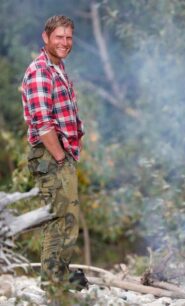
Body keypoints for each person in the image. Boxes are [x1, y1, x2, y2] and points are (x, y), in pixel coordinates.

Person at [21, 15, 87, 289]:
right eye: (59, 37)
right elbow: (43, 122)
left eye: (69, 37)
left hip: (61, 153)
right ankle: (52, 282)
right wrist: (60, 158)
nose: (65, 42)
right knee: (60, 218)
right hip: (50, 155)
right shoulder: (40, 71)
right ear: (45, 37)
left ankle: (59, 277)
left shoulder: (57, 69)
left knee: (66, 218)